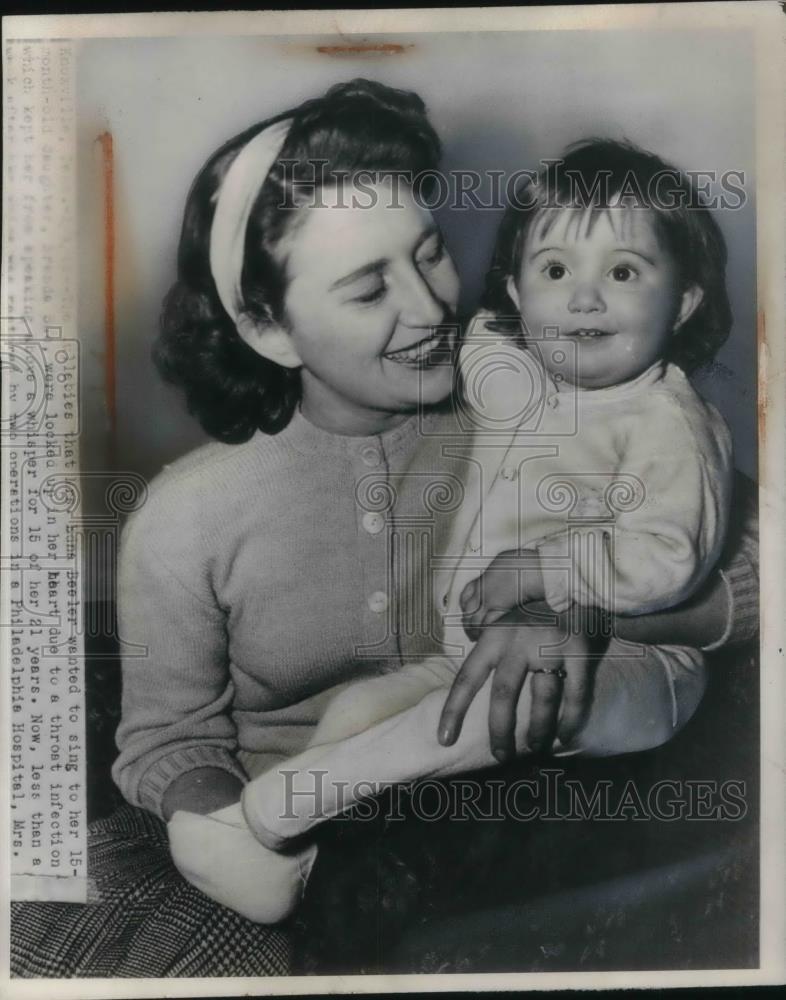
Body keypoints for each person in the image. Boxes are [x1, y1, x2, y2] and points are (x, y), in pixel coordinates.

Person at [11, 80, 758, 976]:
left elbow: (743, 557)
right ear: (267, 325)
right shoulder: (186, 516)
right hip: (279, 853)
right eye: (369, 289)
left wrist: (580, 611)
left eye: (431, 253)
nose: (433, 306)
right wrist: (228, 838)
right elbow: (169, 744)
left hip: (499, 839)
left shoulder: (521, 394)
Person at [232, 139, 736, 873]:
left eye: (623, 272)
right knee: (355, 712)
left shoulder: (666, 421)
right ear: (515, 293)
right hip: (467, 648)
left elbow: (668, 557)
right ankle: (289, 854)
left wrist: (543, 568)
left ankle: (296, 803)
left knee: (502, 700)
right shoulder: (506, 364)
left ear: (684, 301)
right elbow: (407, 342)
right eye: (556, 270)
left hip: (628, 661)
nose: (584, 298)